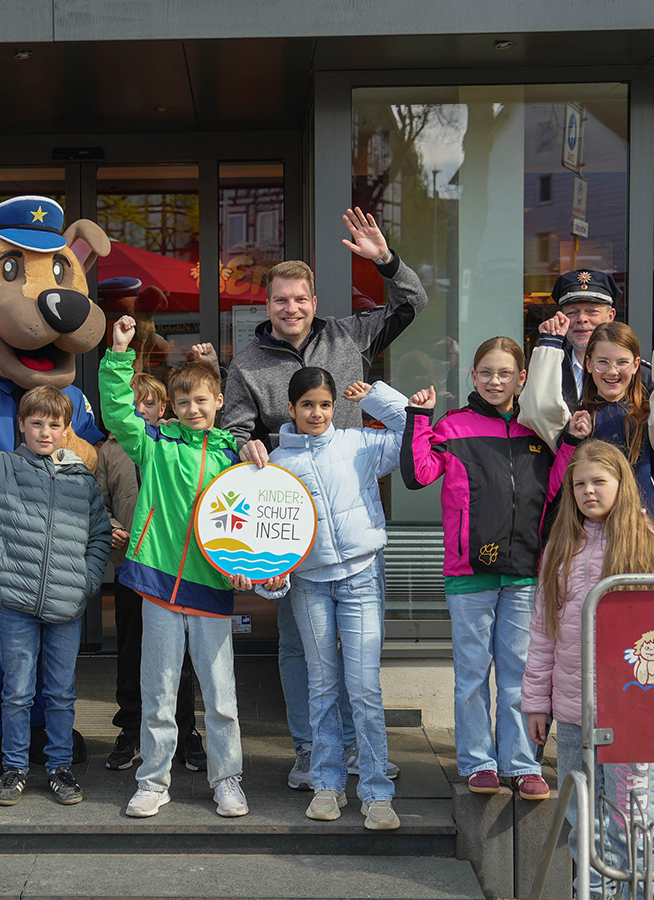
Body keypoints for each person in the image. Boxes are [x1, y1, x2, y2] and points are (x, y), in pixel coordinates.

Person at [223, 207, 427, 789]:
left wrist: (384, 260)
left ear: (313, 301)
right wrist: (249, 447)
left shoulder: (349, 334)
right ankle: (311, 748)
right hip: (292, 522)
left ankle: (359, 750)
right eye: (280, 300)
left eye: (300, 299)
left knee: (358, 651)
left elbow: (412, 303)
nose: (291, 308)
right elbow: (233, 429)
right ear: (268, 305)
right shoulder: (248, 364)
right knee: (299, 645)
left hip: (352, 513)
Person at [103, 316, 257, 819]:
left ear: (219, 402)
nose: (194, 409)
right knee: (159, 689)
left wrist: (250, 567)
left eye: (202, 400)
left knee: (221, 695)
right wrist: (119, 354)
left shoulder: (234, 455)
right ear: (172, 405)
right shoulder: (155, 443)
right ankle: (153, 780)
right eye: (184, 401)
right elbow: (118, 411)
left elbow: (250, 520)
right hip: (158, 581)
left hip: (212, 584)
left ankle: (227, 779)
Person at [0, 356, 112, 807]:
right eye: (36, 423)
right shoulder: (2, 468)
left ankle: (59, 767)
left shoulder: (81, 480)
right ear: (21, 426)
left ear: (66, 431)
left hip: (65, 607)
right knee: (17, 692)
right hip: (16, 605)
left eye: (54, 425)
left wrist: (86, 581)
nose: (44, 432)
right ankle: (15, 768)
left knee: (60, 693)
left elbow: (100, 534)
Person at [401, 337, 559, 801]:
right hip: (469, 571)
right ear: (473, 376)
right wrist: (418, 418)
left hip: (525, 569)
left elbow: (558, 486)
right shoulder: (453, 426)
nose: (495, 381)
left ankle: (522, 763)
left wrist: (569, 441)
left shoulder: (537, 428)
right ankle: (477, 762)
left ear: (522, 379)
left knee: (520, 673)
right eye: (486, 372)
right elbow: (417, 475)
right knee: (472, 674)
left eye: (505, 373)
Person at [524, 440, 654, 899]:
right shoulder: (561, 546)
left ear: (621, 484)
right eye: (579, 484)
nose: (588, 491)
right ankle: (591, 894)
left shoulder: (649, 543)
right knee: (583, 818)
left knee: (633, 818)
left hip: (633, 714)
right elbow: (543, 631)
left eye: (599, 481)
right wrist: (536, 703)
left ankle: (645, 893)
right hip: (575, 714)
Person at [267, 368, 415, 831]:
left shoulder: (359, 443)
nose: (317, 413)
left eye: (325, 404)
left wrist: (375, 397)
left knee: (365, 687)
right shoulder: (275, 463)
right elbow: (270, 536)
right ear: (291, 409)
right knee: (323, 687)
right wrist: (272, 576)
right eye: (307, 405)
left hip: (360, 577)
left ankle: (377, 793)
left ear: (336, 406)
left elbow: (412, 432)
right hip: (308, 584)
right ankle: (327, 786)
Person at [94, 371, 206, 773]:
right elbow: (98, 500)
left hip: (175, 568)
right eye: (133, 403)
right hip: (131, 566)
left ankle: (186, 731)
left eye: (149, 403)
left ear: (163, 408)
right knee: (131, 650)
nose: (141, 409)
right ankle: (131, 729)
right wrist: (109, 525)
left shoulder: (176, 443)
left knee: (181, 657)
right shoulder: (109, 451)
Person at [521, 310, 654, 537]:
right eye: (603, 362)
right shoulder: (577, 419)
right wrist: (549, 345)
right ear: (588, 363)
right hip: (588, 536)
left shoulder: (649, 419)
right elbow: (537, 410)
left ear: (636, 365)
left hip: (646, 532)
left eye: (622, 362)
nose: (612, 371)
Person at [546, 269, 630, 404]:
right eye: (572, 312)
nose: (582, 319)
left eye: (592, 311)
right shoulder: (549, 370)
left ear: (610, 316)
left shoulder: (636, 374)